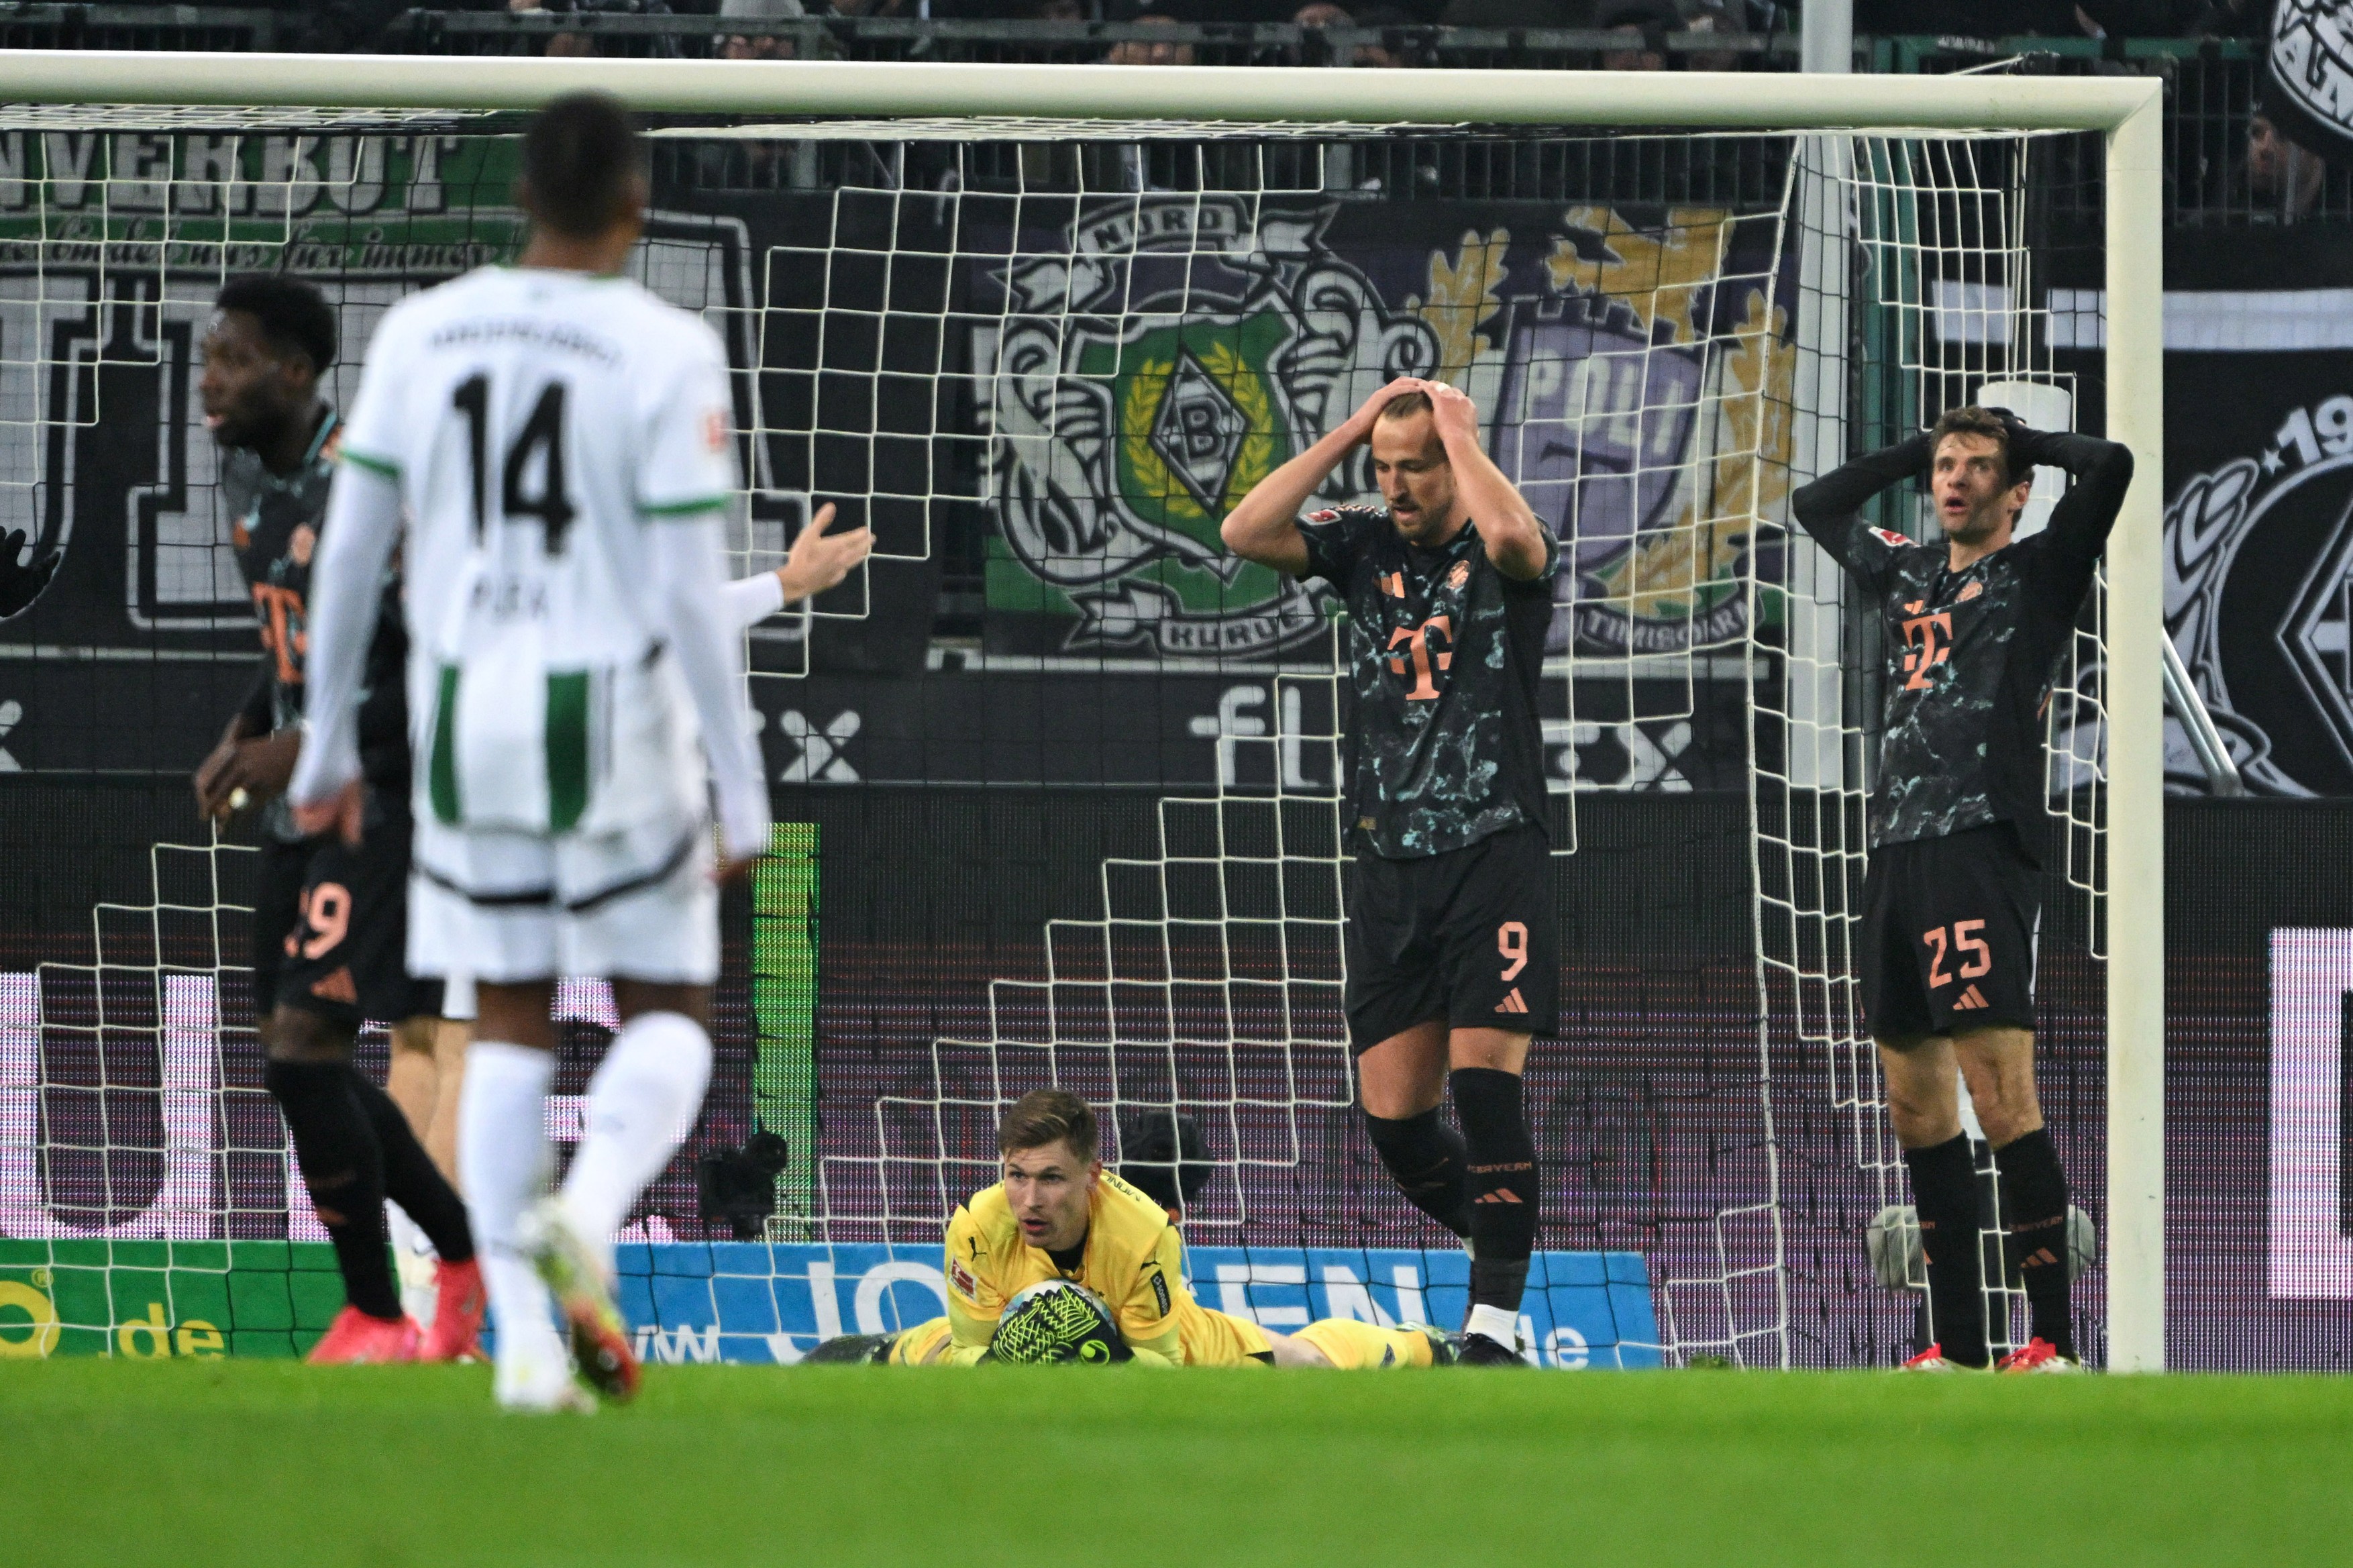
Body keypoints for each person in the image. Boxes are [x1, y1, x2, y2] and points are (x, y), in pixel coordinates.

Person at [289, 93, 864, 1412]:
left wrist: (324, 736)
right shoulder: (662, 346)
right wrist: (741, 776)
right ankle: (590, 1209)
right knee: (667, 1011)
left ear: (519, 194)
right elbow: (672, 585)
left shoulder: (423, 335)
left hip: (464, 717)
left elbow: (352, 552)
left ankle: (531, 1360)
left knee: (500, 1023)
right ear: (633, 201)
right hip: (608, 712)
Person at [1219, 378, 1560, 1367]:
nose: (1398, 485)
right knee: (1396, 1125)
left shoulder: (1501, 543)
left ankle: (1490, 1325)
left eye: (1417, 467)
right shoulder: (1362, 543)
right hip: (1385, 863)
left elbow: (1514, 545)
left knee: (1482, 1082)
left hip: (1492, 851)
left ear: (1454, 461)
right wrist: (1347, 437)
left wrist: (1457, 431)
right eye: (1387, 468)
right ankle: (1510, 1244)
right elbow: (1245, 530)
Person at [1791, 407, 2133, 1374]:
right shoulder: (1906, 571)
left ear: (2018, 491)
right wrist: (1920, 447)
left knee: (1999, 1098)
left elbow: (2108, 464)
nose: (1956, 480)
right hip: (1895, 853)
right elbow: (1815, 505)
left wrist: (2020, 446)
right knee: (1914, 1108)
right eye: (1945, 468)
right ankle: (1958, 1345)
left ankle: (2054, 1344)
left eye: (1980, 468)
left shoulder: (2036, 573)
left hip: (1980, 847)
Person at [189, 274, 484, 1366]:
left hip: (384, 803)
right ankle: (455, 1253)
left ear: (300, 371)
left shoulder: (371, 488)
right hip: (303, 810)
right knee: (297, 1063)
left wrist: (307, 751)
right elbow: (300, 647)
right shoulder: (243, 473)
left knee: (305, 1048)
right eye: (208, 356)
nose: (209, 379)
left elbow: (430, 673)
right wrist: (247, 726)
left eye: (232, 357)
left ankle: (375, 1312)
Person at [810, 1088, 1452, 1369]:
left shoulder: (1144, 1234)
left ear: (1092, 1175)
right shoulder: (979, 1225)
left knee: (1303, 1364)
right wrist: (1015, 1362)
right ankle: (855, 1354)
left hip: (1146, 1337)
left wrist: (1104, 1362)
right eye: (1016, 1175)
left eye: (1052, 1178)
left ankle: (1426, 1347)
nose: (1029, 1199)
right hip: (1015, 1319)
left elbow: (1161, 1367)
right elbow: (975, 1352)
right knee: (930, 1355)